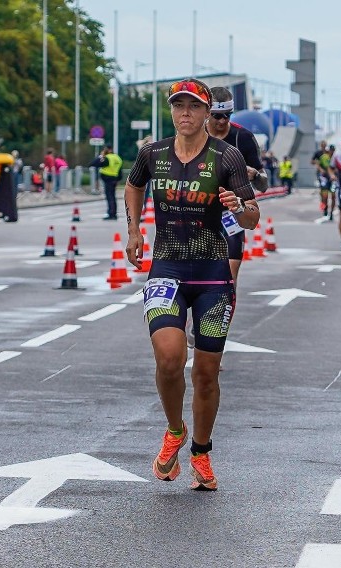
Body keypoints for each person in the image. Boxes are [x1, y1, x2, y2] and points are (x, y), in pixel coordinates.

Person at [123, 78, 260, 491]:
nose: (185, 114)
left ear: (206, 113)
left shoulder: (227, 156)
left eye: (193, 107)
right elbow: (133, 184)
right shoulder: (153, 153)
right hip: (166, 269)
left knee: (205, 372)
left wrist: (241, 206)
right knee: (168, 358)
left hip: (213, 275)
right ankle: (175, 430)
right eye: (178, 106)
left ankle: (201, 450)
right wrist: (134, 231)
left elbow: (251, 215)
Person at [207, 86, 268, 286]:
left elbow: (264, 185)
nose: (222, 121)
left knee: (228, 280)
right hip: (198, 213)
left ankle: (224, 315)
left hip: (231, 215)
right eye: (217, 116)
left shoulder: (243, 137)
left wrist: (254, 174)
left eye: (227, 115)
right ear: (207, 113)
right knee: (195, 281)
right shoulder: (194, 135)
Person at [89, 145, 123, 220]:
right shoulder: (117, 158)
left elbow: (93, 163)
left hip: (108, 179)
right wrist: (118, 179)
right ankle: (114, 213)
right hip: (114, 179)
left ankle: (111, 213)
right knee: (113, 197)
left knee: (109, 197)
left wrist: (101, 156)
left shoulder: (107, 158)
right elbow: (120, 170)